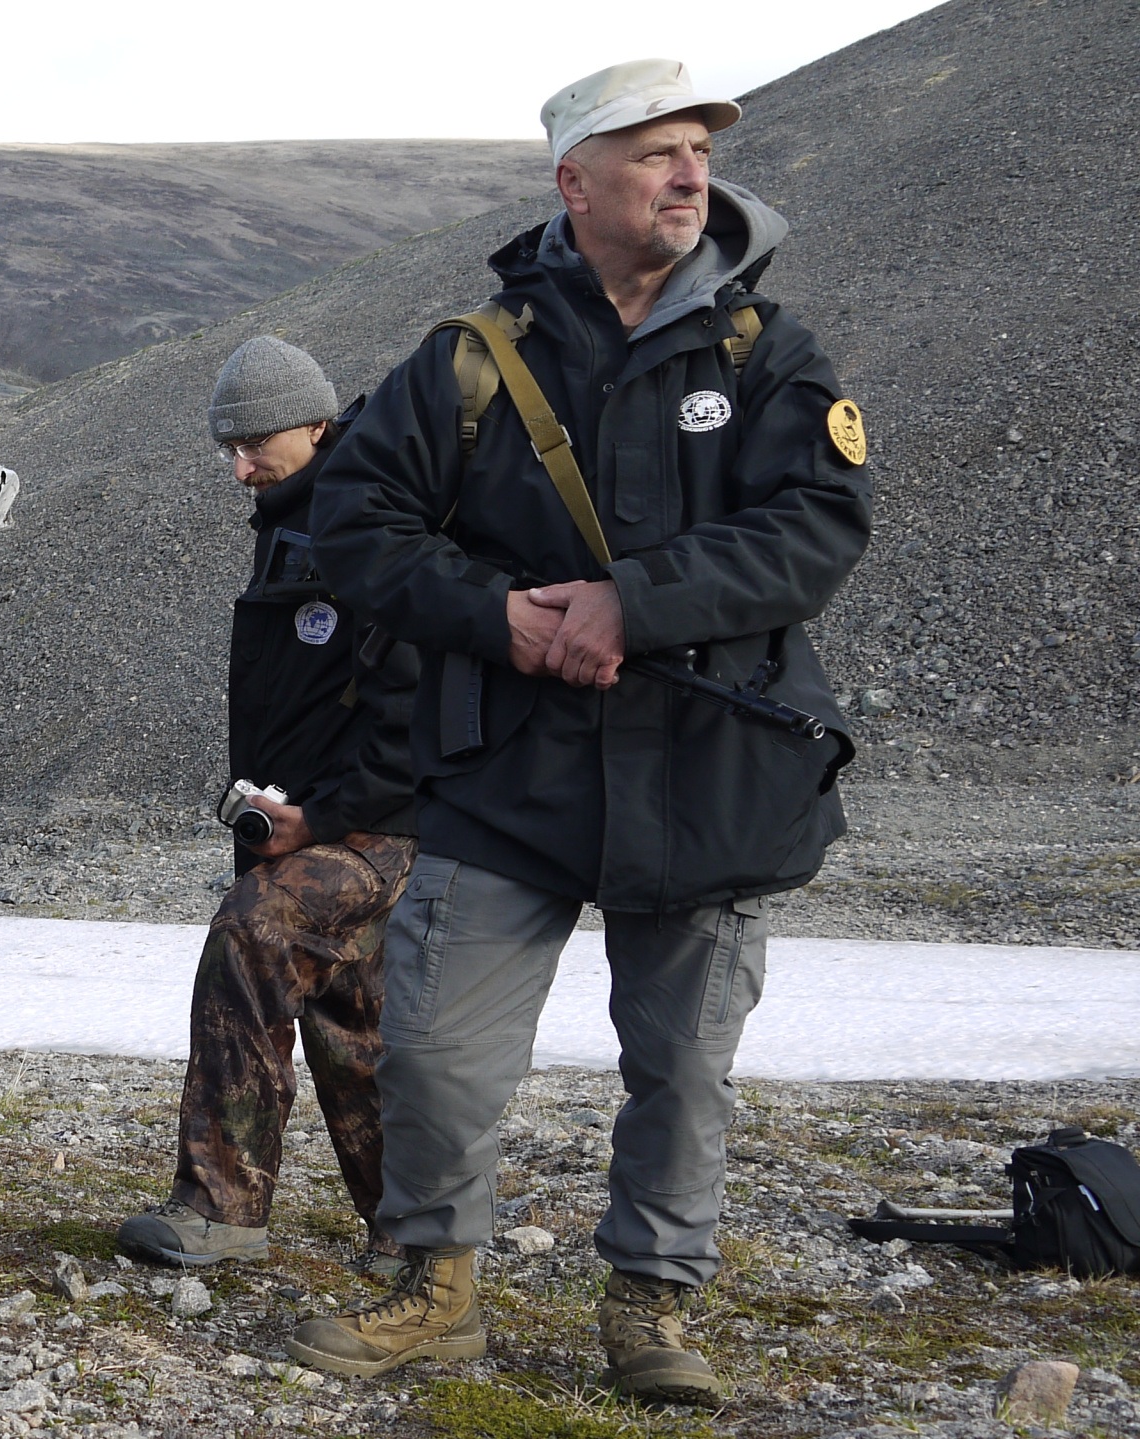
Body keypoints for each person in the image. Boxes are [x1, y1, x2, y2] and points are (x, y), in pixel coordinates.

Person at [293, 59, 870, 1402]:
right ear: (574, 181)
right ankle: (436, 1286)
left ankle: (654, 1304)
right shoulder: (469, 363)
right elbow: (353, 523)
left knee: (682, 1065)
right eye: (656, 153)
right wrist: (503, 618)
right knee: (435, 1041)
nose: (689, 175)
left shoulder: (767, 351)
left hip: (717, 775)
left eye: (698, 155)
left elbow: (818, 526)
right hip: (513, 770)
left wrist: (633, 601)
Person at [118, 337, 419, 1272]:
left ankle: (222, 1207)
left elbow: (415, 701)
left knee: (254, 932)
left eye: (256, 444)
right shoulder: (296, 516)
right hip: (322, 814)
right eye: (229, 448)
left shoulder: (368, 520)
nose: (241, 466)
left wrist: (321, 816)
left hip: (385, 823)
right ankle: (413, 1226)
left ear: (319, 423)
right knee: (354, 1015)